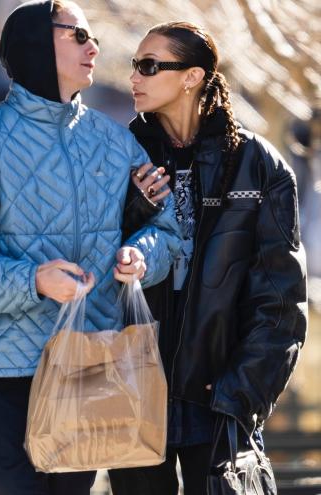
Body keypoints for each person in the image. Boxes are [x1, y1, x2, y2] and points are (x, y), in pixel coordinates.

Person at [0, 1, 181, 494]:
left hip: (91, 358)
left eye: (93, 37)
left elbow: (167, 232)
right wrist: (32, 280)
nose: (94, 47)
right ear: (37, 45)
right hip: (5, 366)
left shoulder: (116, 143)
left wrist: (142, 256)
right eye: (78, 35)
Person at [108, 21, 307, 494]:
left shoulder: (257, 165)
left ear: (191, 76)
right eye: (136, 65)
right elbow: (92, 258)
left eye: (150, 66)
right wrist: (135, 209)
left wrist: (240, 393)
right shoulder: (116, 155)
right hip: (135, 393)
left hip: (217, 398)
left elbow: (281, 301)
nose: (134, 76)